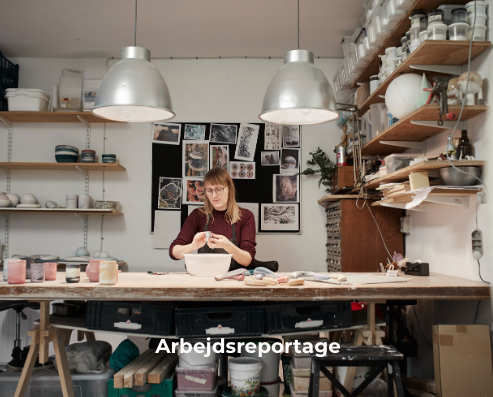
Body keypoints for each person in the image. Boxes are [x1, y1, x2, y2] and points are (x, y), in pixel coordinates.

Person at [169, 167, 256, 270]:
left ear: (229, 189)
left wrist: (228, 246)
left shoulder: (246, 216)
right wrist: (192, 246)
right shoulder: (198, 215)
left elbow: (247, 260)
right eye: (209, 190)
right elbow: (174, 252)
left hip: (234, 280)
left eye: (219, 189)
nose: (214, 195)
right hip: (204, 279)